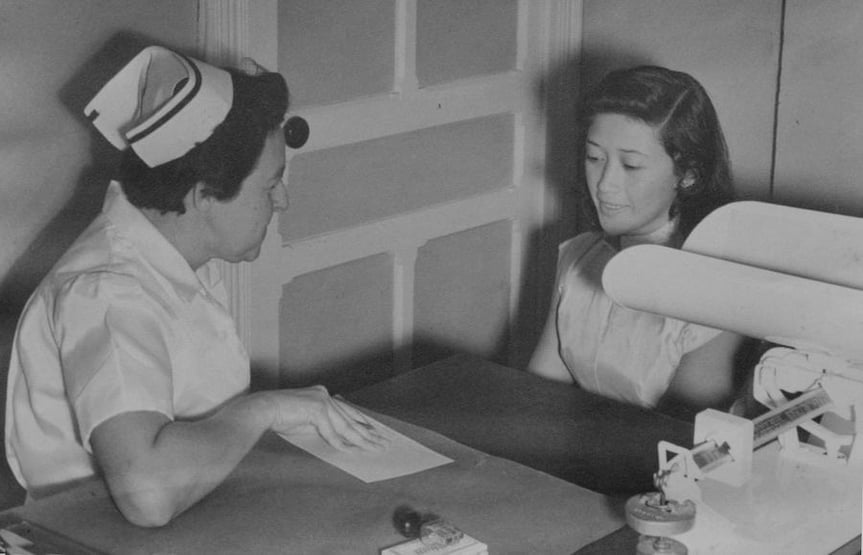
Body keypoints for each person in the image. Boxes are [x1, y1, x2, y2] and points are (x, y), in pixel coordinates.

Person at [4, 46, 387, 527]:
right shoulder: (107, 292)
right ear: (203, 195)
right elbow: (148, 497)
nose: (282, 200)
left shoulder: (166, 255)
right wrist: (265, 410)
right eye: (270, 185)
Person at [528, 65, 746, 415]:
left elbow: (683, 432)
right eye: (594, 158)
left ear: (688, 176)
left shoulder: (718, 292)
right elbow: (536, 393)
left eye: (630, 165)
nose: (605, 184)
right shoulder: (579, 256)